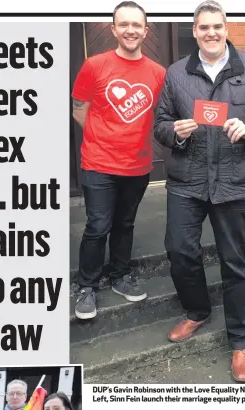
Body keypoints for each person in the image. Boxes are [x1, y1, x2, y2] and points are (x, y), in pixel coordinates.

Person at [154, 0, 245, 382]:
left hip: (234, 181)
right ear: (194, 31)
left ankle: (241, 341)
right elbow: (160, 123)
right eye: (203, 27)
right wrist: (173, 133)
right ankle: (197, 311)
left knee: (235, 262)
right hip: (187, 180)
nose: (211, 32)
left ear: (226, 28)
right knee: (179, 250)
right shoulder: (176, 73)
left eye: (217, 26)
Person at [72, 1, 166, 319]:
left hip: (137, 165)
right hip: (98, 163)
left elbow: (163, 115)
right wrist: (102, 136)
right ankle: (86, 285)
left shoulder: (157, 73)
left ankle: (119, 276)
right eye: (123, 24)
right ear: (113, 29)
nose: (130, 30)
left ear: (145, 30)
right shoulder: (94, 65)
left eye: (136, 25)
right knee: (98, 225)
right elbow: (78, 107)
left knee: (125, 223)